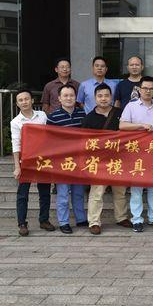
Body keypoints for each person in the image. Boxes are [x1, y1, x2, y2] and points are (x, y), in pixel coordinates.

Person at [82, 83, 132, 235]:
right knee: (97, 193)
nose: (103, 99)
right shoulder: (89, 118)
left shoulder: (120, 113)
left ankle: (121, 217)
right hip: (99, 162)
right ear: (95, 98)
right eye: (100, 96)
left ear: (111, 97)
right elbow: (84, 142)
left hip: (118, 159)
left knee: (120, 191)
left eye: (106, 95)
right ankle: (94, 222)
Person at [119, 76, 153, 233]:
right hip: (135, 153)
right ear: (139, 89)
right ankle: (137, 219)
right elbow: (122, 125)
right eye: (145, 88)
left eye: (151, 88)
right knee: (137, 189)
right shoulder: (131, 106)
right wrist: (141, 126)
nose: (148, 91)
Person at [10, 89, 55, 236]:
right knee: (23, 194)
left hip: (42, 159)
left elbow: (50, 136)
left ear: (32, 100)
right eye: (21, 100)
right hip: (26, 160)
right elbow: (16, 144)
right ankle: (22, 223)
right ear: (17, 104)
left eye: (26, 99)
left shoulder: (42, 116)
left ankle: (44, 220)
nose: (24, 102)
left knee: (45, 192)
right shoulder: (15, 122)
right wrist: (17, 166)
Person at [46, 84, 87, 234]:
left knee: (78, 192)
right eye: (65, 95)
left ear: (76, 97)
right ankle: (63, 222)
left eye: (71, 95)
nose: (69, 98)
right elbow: (49, 141)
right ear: (59, 98)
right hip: (62, 162)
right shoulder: (52, 117)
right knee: (63, 194)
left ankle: (81, 219)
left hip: (79, 160)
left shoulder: (83, 114)